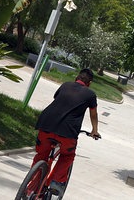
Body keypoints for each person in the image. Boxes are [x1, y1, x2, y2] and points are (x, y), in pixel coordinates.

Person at [31, 68, 101, 196]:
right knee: (67, 156)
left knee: (41, 155)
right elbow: (93, 114)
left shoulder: (65, 85)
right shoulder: (90, 94)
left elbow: (59, 100)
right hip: (68, 131)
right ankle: (56, 183)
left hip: (46, 124)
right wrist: (94, 131)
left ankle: (30, 187)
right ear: (89, 83)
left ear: (76, 78)